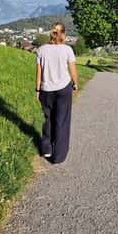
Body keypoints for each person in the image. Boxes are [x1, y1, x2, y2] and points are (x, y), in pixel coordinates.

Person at [35, 22, 78, 163]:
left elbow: (39, 72)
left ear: (51, 33)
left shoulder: (41, 50)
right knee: (61, 121)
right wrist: (75, 83)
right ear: (63, 34)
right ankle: (58, 156)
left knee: (48, 118)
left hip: (46, 90)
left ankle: (46, 148)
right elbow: (72, 70)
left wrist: (37, 89)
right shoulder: (67, 50)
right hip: (63, 89)